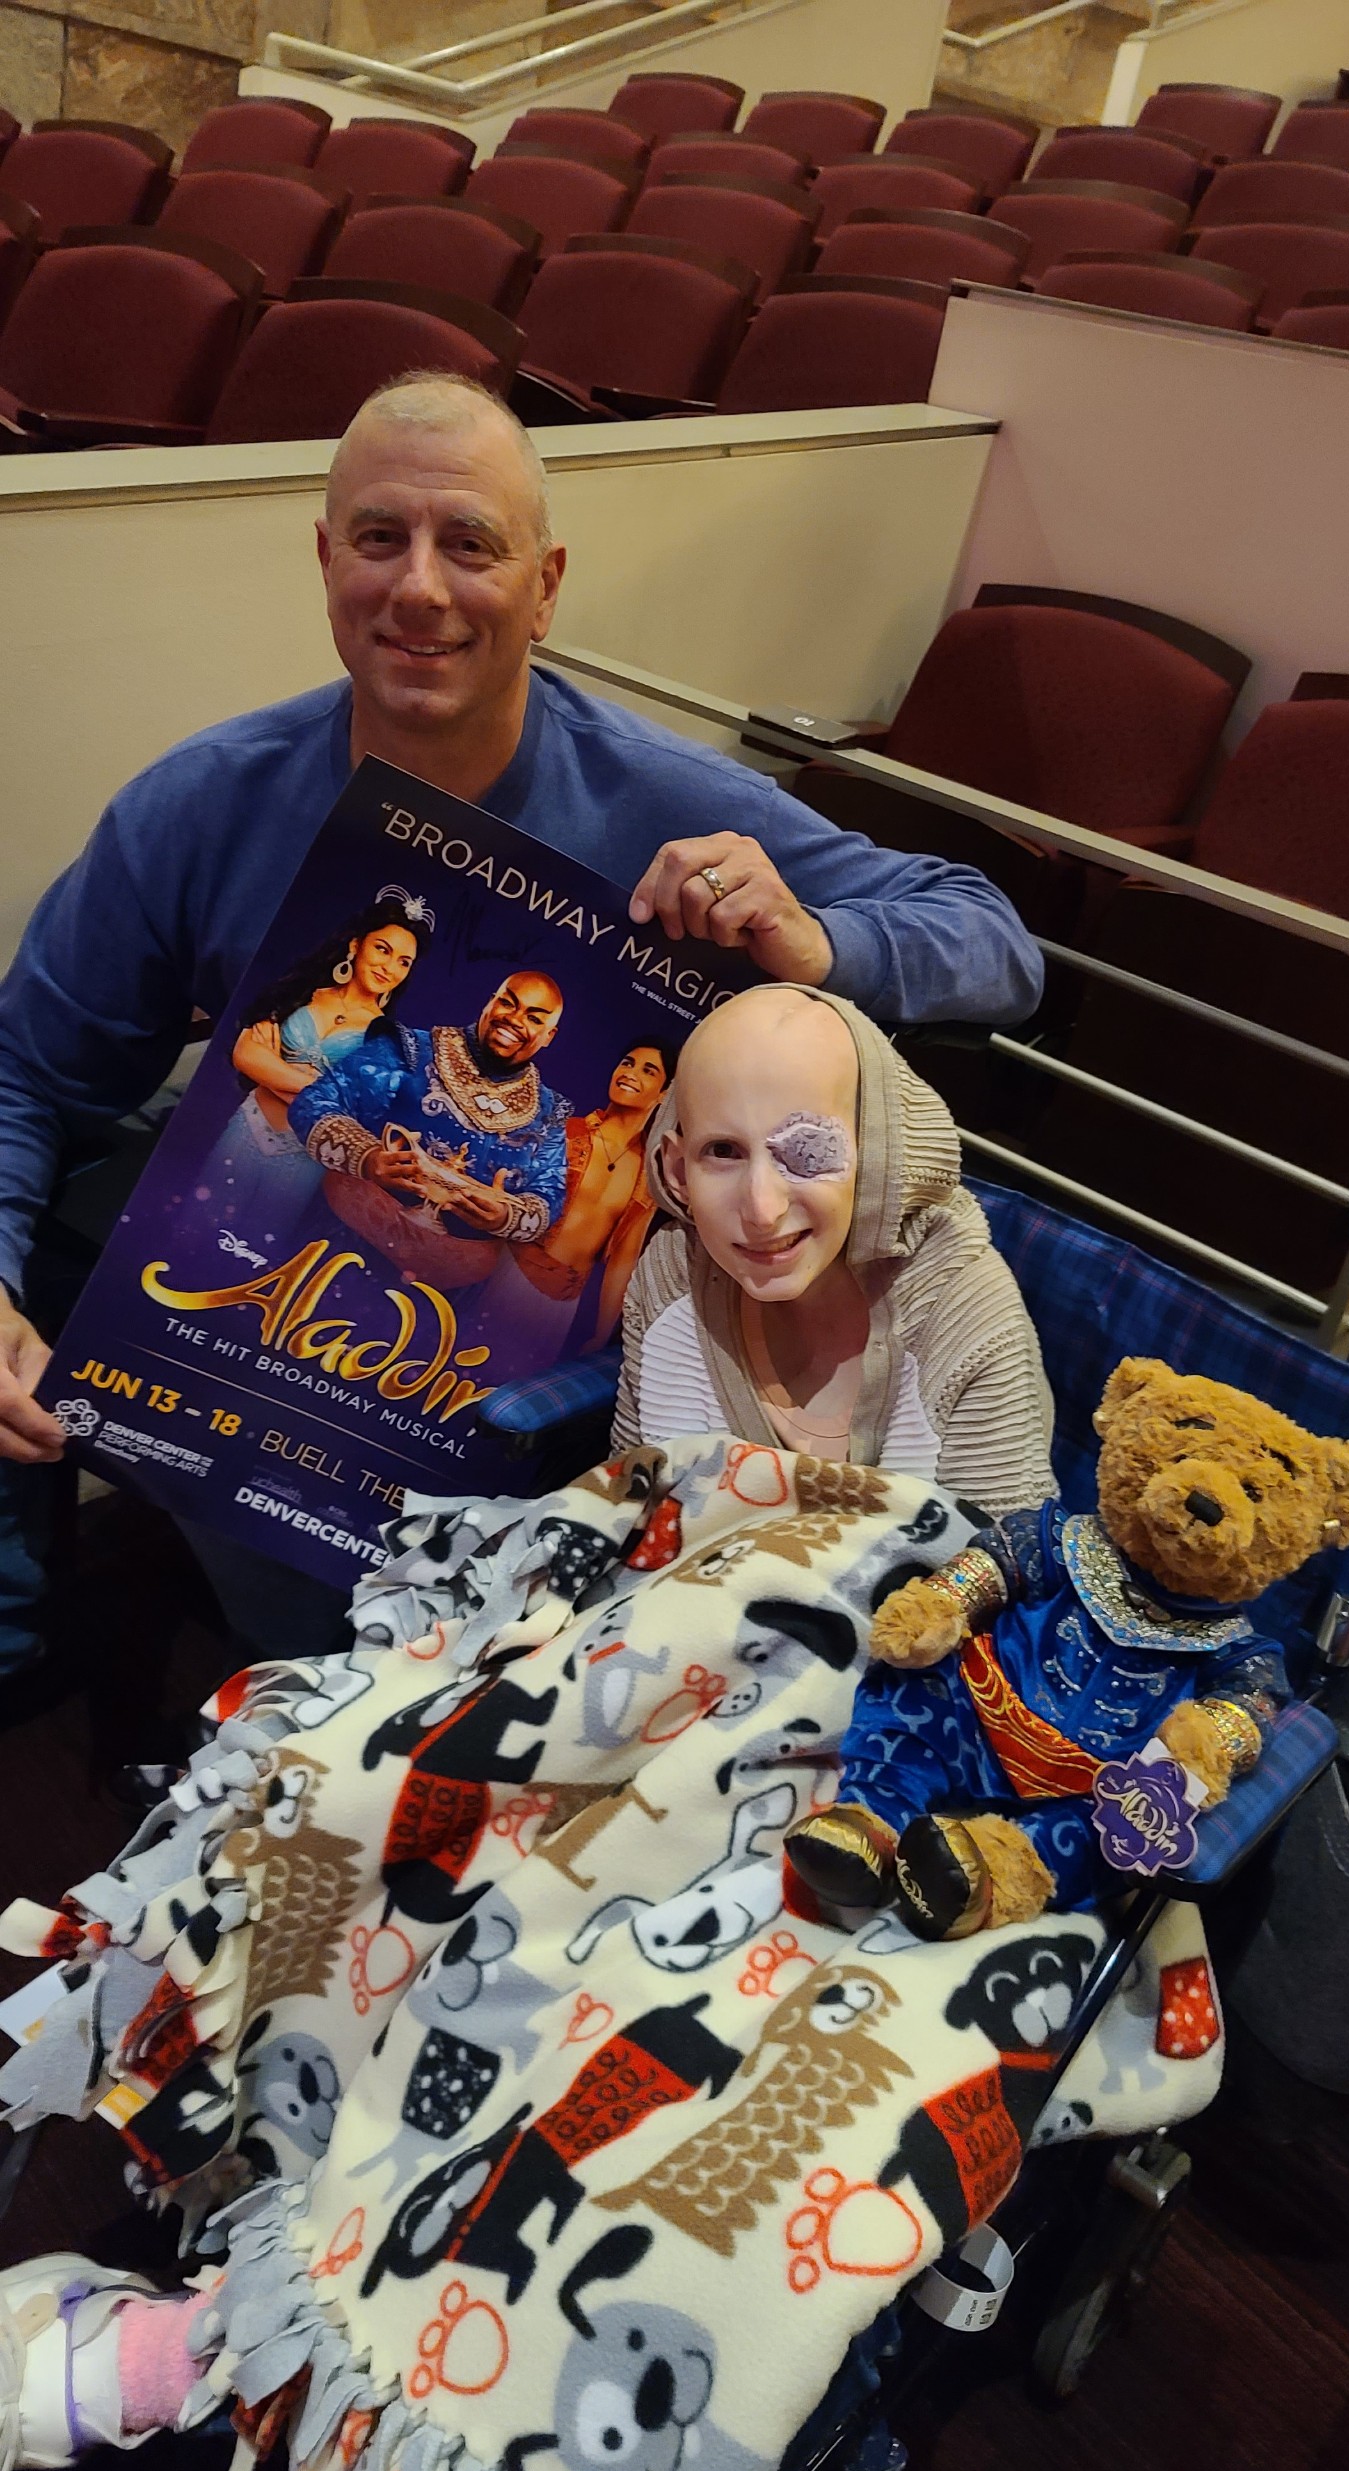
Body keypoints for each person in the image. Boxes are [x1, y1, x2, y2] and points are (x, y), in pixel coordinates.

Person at [0, 367, 1045, 1668]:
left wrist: (817, 940)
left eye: (470, 545)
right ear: (326, 563)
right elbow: (24, 1070)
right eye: (379, 538)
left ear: (544, 587)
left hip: (551, 1379)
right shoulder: (205, 802)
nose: (419, 587)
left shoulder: (661, 797)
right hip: (272, 1321)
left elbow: (994, 942)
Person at [614, 983, 1056, 1516]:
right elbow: (628, 1503)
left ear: (877, 1151)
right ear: (677, 1169)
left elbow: (1004, 1553)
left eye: (809, 1149)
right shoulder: (671, 1276)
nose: (762, 1210)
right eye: (723, 1151)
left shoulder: (964, 1319)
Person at [291, 967, 569, 1296]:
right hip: (340, 1245)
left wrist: (506, 1216)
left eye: (534, 1018)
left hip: (444, 1292)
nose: (515, 1019)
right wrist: (368, 1158)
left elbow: (548, 1198)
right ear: (489, 1003)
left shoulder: (548, 1114)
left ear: (549, 1036)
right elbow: (313, 1103)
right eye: (508, 1003)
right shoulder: (410, 1050)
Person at [196, 888, 430, 1250]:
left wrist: (272, 1071)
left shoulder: (385, 1038)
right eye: (383, 949)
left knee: (251, 1250)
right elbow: (245, 1053)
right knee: (194, 1228)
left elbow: (347, 1115)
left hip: (302, 1157)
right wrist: (321, 1091)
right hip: (248, 1127)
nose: (389, 967)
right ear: (356, 945)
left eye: (404, 962)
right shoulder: (303, 991)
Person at [481, 1039, 675, 1364]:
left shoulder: (647, 1177)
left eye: (648, 1070)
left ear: (664, 1094)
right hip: (507, 1275)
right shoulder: (567, 1133)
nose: (630, 1073)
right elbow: (505, 1200)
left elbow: (622, 1262)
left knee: (510, 1385)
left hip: (560, 1305)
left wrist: (601, 1333)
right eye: (627, 1062)